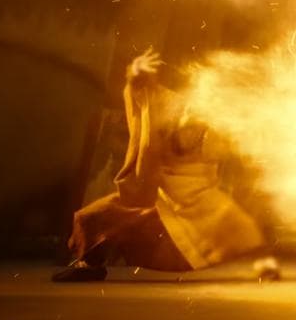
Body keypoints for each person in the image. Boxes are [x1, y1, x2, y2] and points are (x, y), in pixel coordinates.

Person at [52, 48, 279, 282]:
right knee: (96, 216)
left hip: (197, 201)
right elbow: (143, 93)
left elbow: (236, 143)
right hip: (157, 194)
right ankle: (88, 265)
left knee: (243, 228)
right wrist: (136, 75)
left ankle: (265, 264)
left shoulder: (216, 128)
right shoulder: (171, 105)